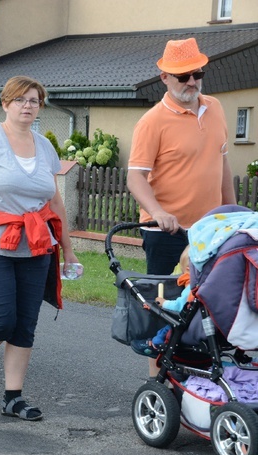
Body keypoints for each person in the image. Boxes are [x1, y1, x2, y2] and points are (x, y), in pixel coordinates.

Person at [0, 76, 79, 421]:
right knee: (0, 318)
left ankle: (13, 397)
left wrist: (68, 248)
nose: (28, 105)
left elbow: (55, 202)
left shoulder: (45, 147)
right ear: (5, 103)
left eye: (34, 100)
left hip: (37, 246)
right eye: (21, 99)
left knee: (25, 324)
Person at [126, 37, 236, 376]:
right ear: (164, 78)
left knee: (206, 305)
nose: (192, 81)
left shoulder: (214, 108)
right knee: (162, 307)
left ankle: (198, 372)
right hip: (166, 231)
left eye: (197, 73)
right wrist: (158, 212)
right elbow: (136, 178)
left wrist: (233, 213)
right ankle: (160, 381)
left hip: (209, 231)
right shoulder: (152, 121)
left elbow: (222, 165)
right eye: (183, 76)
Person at [130, 246, 191, 358]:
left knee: (167, 329)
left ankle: (155, 344)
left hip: (188, 323)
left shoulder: (191, 288)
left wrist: (164, 303)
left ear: (188, 269)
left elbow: (179, 306)